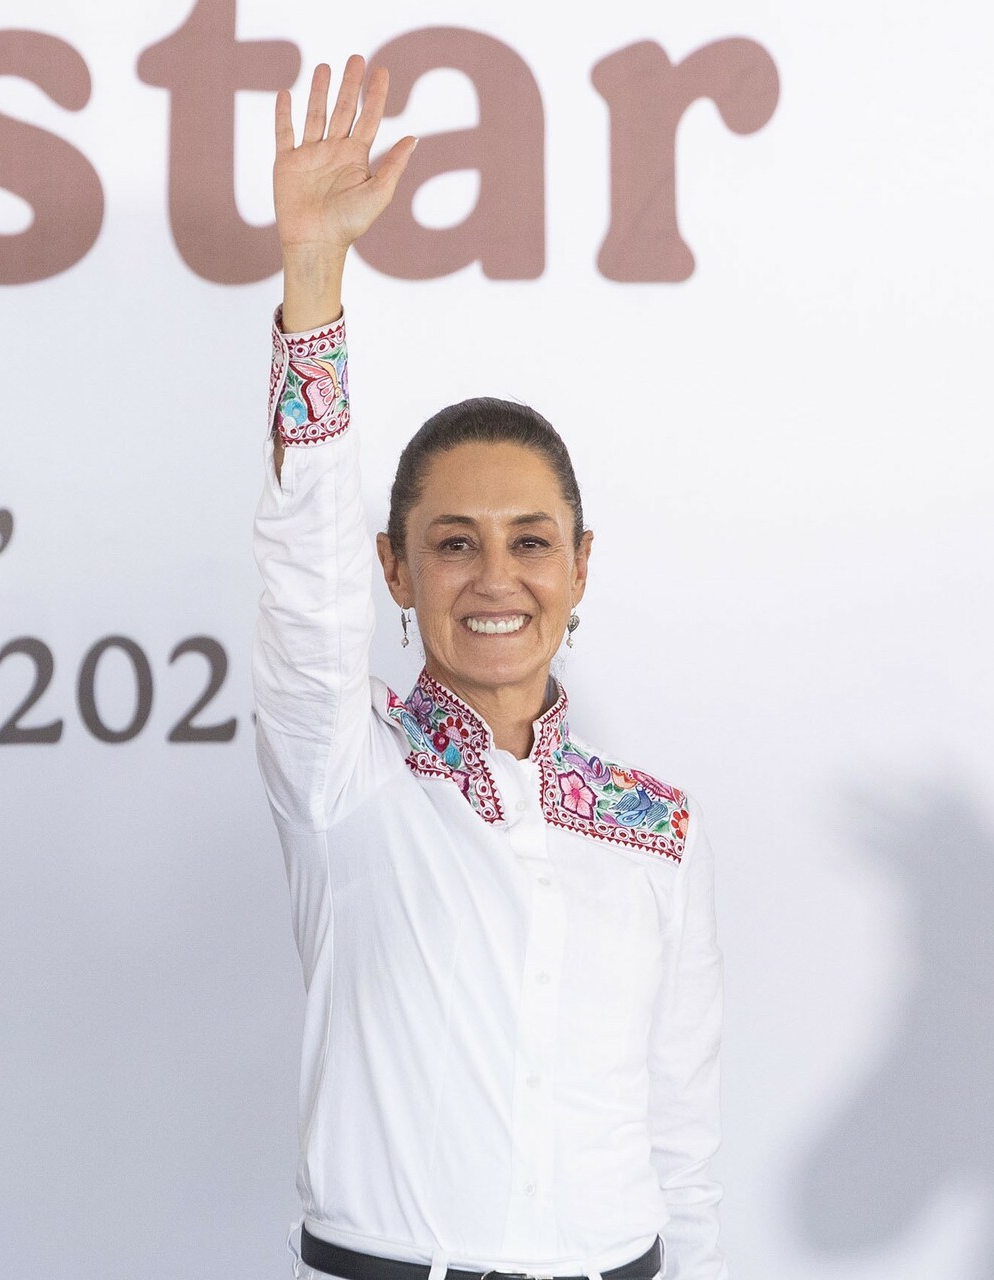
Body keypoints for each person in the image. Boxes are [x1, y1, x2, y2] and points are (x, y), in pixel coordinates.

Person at [254, 58, 723, 1280]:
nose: (495, 578)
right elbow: (303, 593)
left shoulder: (656, 827)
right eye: (452, 544)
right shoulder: (344, 769)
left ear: (579, 565)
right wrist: (314, 283)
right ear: (395, 572)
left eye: (530, 542)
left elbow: (683, 1134)